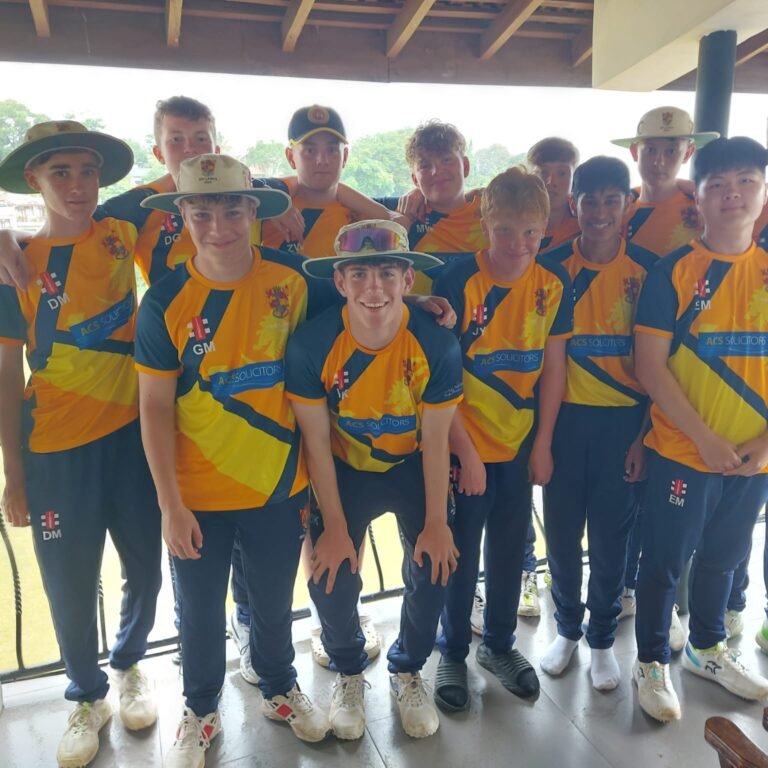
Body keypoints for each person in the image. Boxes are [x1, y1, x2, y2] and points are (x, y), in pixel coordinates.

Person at [135, 154, 333, 764]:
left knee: (272, 604)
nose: (217, 226)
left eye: (231, 210)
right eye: (201, 212)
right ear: (182, 215)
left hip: (278, 484)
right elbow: (154, 409)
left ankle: (279, 688)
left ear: (253, 211)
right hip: (197, 493)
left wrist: (422, 311)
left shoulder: (294, 281)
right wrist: (170, 504)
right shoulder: (165, 299)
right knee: (197, 613)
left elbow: (366, 302)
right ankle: (200, 709)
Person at [0, 120, 161, 768]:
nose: (77, 185)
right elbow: (6, 375)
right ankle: (87, 696)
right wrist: (15, 475)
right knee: (68, 581)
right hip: (56, 451)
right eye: (60, 172)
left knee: (146, 569)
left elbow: (192, 180)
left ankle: (128, 666)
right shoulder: (16, 266)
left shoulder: (121, 229)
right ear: (34, 179)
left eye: (88, 171)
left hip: (131, 441)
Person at [285, 219, 462, 740]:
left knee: (435, 563)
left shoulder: (436, 345)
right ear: (340, 282)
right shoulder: (312, 345)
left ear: (408, 279)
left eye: (387, 272)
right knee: (329, 571)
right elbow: (316, 442)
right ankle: (347, 672)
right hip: (343, 468)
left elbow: (437, 441)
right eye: (359, 274)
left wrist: (436, 523)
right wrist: (336, 527)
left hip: (412, 465)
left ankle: (408, 670)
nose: (374, 288)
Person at [631, 136, 768, 722]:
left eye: (746, 181)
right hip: (683, 451)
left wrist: (763, 444)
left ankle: (707, 650)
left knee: (725, 557)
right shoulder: (674, 273)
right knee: (664, 561)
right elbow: (649, 367)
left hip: (753, 458)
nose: (733, 194)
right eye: (718, 184)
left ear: (763, 191)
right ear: (701, 197)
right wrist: (705, 440)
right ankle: (650, 661)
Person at [429, 166, 572, 712]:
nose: (518, 244)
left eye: (531, 232)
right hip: (464, 446)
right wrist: (464, 451)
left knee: (511, 550)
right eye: (506, 230)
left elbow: (554, 368)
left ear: (545, 229)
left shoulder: (553, 284)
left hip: (518, 444)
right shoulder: (458, 280)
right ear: (486, 224)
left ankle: (498, 645)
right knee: (460, 555)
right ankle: (452, 650)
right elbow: (439, 379)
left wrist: (543, 443)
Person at [539, 157, 656, 691]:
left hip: (623, 425)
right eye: (591, 201)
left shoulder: (651, 271)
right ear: (574, 204)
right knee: (562, 536)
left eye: (613, 200)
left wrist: (643, 436)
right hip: (562, 421)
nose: (601, 212)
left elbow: (663, 364)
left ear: (628, 204)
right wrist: (541, 439)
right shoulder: (550, 267)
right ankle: (567, 629)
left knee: (612, 541)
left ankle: (603, 639)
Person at [611, 106, 719, 641]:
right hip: (623, 368)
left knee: (676, 498)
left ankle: (677, 602)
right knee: (630, 486)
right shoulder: (621, 208)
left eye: (671, 149)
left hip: (688, 369)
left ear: (688, 152)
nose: (659, 159)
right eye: (650, 148)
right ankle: (628, 588)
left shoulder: (703, 204)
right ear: (635, 152)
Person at [528, 136, 581, 254]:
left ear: (573, 179)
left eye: (562, 173)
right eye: (543, 173)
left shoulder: (585, 226)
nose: (551, 182)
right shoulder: (508, 219)